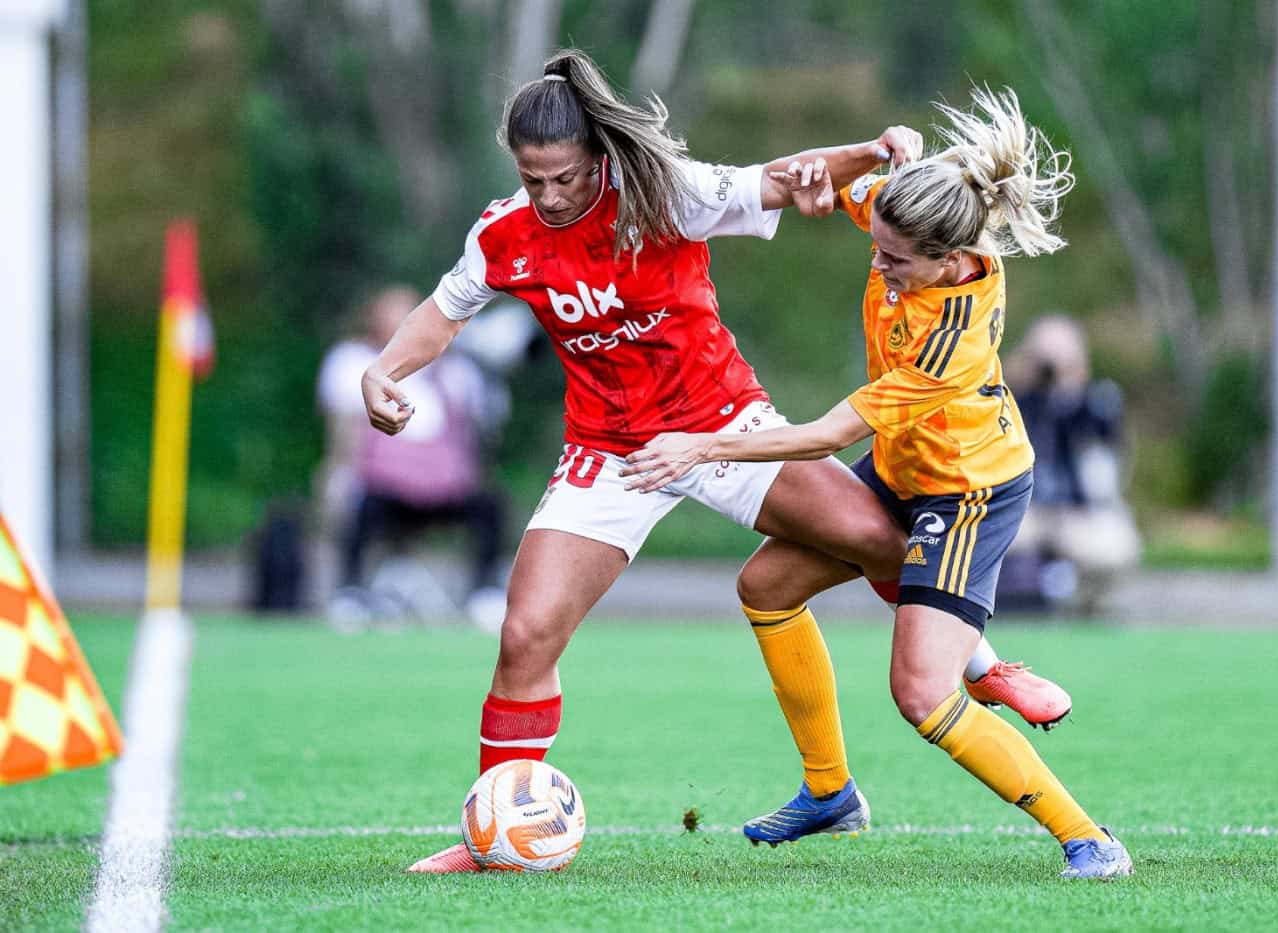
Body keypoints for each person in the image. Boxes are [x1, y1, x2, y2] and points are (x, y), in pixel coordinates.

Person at [360, 50, 1071, 873]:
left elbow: (777, 179)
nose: (548, 196)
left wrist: (870, 154)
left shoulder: (665, 194)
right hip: (611, 451)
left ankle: (985, 671)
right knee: (524, 634)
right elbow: (445, 313)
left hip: (722, 423)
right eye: (532, 178)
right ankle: (493, 840)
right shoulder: (503, 232)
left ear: (597, 153)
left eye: (563, 177)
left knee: (885, 542)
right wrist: (384, 371)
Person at [624, 87, 1132, 879]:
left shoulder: (950, 341)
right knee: (766, 585)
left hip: (969, 493)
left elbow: (827, 433)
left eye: (898, 262)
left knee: (920, 694)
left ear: (951, 260)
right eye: (878, 251)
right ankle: (831, 791)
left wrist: (700, 446)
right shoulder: (909, 217)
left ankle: (1088, 837)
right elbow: (827, 189)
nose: (884, 270)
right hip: (904, 468)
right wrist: (868, 154)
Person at [319, 285, 507, 624]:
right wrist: (337, 473)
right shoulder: (355, 363)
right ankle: (350, 593)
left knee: (490, 505)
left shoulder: (457, 372)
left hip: (445, 488)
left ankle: (485, 592)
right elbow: (344, 433)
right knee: (356, 505)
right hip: (384, 487)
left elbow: (478, 431)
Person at [1001, 314, 1141, 609]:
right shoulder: (1011, 398)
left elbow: (1108, 462)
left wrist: (1069, 391)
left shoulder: (1096, 402)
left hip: (1078, 512)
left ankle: (1084, 603)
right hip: (1025, 511)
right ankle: (1007, 603)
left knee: (1116, 544)